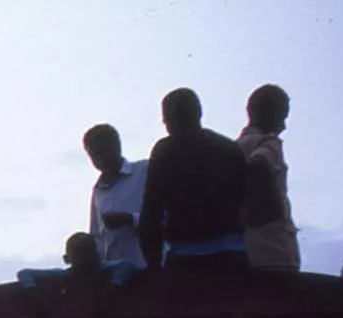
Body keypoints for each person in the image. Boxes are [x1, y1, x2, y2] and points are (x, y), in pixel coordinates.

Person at [138, 88, 248, 271]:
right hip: (232, 255)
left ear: (168, 121)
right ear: (199, 113)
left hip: (185, 259)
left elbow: (151, 213)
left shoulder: (165, 152)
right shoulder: (229, 148)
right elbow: (245, 202)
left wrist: (153, 265)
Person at [236, 84, 300, 270]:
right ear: (271, 114)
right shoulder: (268, 143)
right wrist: (275, 214)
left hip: (246, 253)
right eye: (282, 117)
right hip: (274, 254)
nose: (283, 126)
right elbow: (259, 165)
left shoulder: (235, 149)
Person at [83, 123, 148, 267]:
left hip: (146, 268)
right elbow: (97, 237)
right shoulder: (97, 191)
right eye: (94, 154)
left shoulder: (144, 171)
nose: (100, 158)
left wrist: (129, 219)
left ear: (117, 146)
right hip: (113, 273)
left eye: (104, 151)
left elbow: (168, 215)